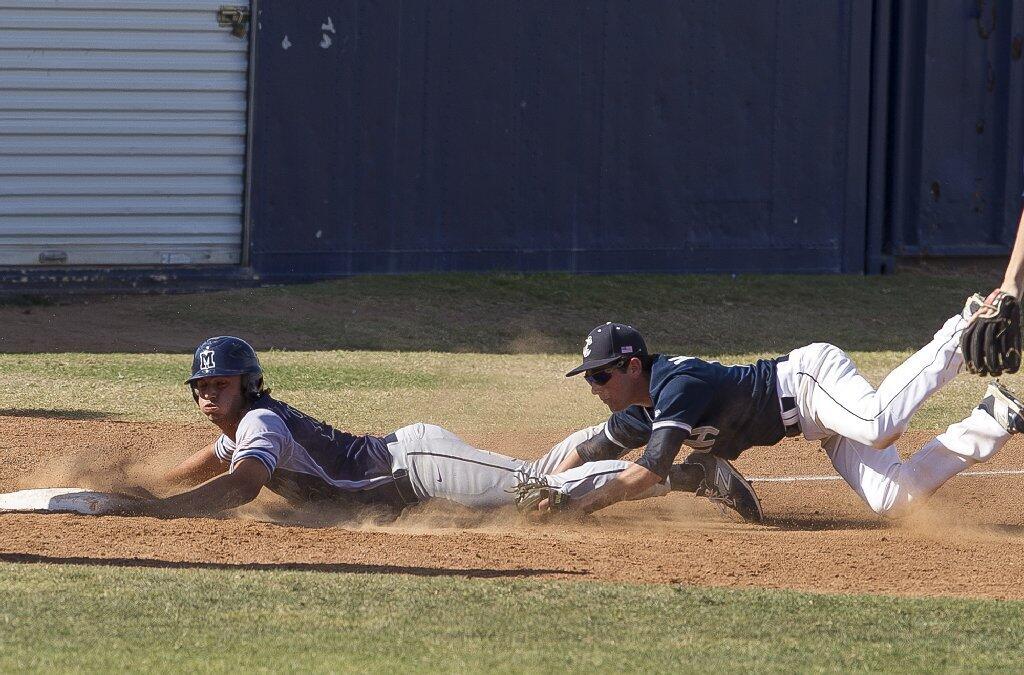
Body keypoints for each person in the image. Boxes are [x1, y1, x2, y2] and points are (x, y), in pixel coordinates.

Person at [527, 300, 1024, 520]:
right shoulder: (641, 408)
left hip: (808, 382)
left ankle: (963, 329)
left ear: (632, 366)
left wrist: (577, 505)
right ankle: (991, 420)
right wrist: (547, 489)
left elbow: (650, 470)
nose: (594, 385)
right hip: (815, 426)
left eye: (600, 374)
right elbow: (591, 448)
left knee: (878, 425)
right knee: (895, 501)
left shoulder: (675, 385)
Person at [117, 336, 689, 520]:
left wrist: (166, 511)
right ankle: (619, 431)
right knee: (532, 478)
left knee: (534, 497)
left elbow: (241, 485)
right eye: (203, 386)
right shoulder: (244, 429)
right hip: (410, 469)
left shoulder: (262, 422)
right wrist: (155, 486)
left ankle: (677, 475)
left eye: (222, 384)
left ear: (248, 384)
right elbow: (216, 461)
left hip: (418, 465)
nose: (209, 394)